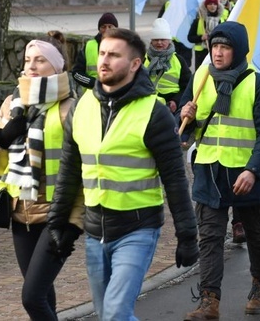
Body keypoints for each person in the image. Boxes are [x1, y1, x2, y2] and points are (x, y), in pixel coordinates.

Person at [47, 28, 199, 320]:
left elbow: (176, 180)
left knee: (116, 312)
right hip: (94, 231)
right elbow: (69, 170)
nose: (104, 60)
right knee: (108, 315)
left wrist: (187, 235)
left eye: (114, 55)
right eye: (103, 53)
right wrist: (59, 223)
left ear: (134, 64)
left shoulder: (154, 113)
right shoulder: (81, 108)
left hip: (138, 229)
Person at [181, 21, 260, 318]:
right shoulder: (200, 76)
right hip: (210, 170)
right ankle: (209, 299)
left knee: (255, 234)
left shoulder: (256, 83)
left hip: (248, 175)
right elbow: (187, 129)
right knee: (210, 236)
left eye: (225, 47)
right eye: (215, 47)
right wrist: (184, 118)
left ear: (238, 51)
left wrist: (252, 170)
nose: (218, 53)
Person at [0, 36, 81, 320]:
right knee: (42, 294)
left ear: (56, 67)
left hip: (56, 216)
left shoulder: (71, 107)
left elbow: (82, 172)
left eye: (40, 60)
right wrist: (2, 140)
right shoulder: (11, 103)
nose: (31, 66)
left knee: (31, 297)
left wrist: (74, 222)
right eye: (28, 60)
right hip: (20, 213)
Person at [144, 18, 192, 113]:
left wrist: (176, 101)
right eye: (156, 39)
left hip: (172, 109)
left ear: (169, 40)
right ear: (151, 41)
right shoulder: (142, 59)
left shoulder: (179, 61)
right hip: (147, 106)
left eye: (163, 39)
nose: (159, 43)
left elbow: (188, 87)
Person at [71, 12, 118, 89]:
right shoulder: (89, 46)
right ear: (99, 29)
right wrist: (93, 83)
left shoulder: (123, 46)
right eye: (103, 27)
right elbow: (76, 73)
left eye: (110, 26)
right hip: (92, 92)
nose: (107, 30)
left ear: (116, 28)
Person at [189, 0, 229, 66]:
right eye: (210, 4)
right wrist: (201, 37)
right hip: (201, 54)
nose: (212, 6)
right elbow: (190, 37)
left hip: (217, 53)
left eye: (214, 4)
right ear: (206, 6)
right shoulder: (198, 21)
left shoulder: (222, 21)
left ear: (217, 6)